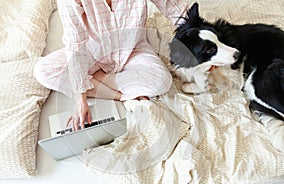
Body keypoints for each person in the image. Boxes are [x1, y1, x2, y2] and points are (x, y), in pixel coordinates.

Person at [34, 0, 188, 131]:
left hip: (133, 48)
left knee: (162, 81)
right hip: (90, 51)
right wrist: (79, 98)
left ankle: (99, 78)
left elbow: (175, 9)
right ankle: (120, 95)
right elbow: (75, 45)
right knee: (44, 70)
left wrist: (206, 49)